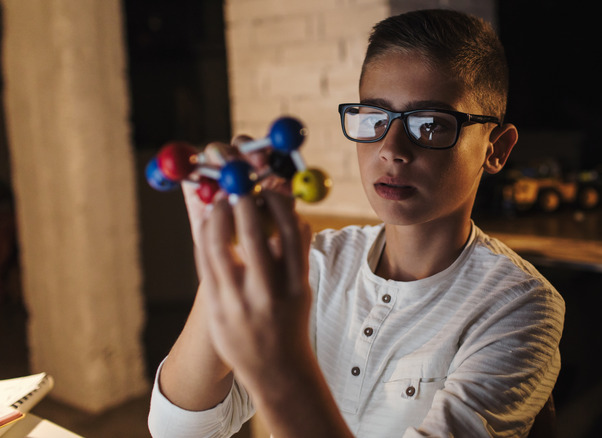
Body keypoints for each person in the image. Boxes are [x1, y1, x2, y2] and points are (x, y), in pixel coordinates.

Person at [148, 9, 565, 438]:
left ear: (496, 148)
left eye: (430, 124)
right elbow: (178, 431)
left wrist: (281, 364)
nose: (391, 149)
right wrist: (226, 266)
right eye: (375, 118)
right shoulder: (313, 265)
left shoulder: (519, 308)